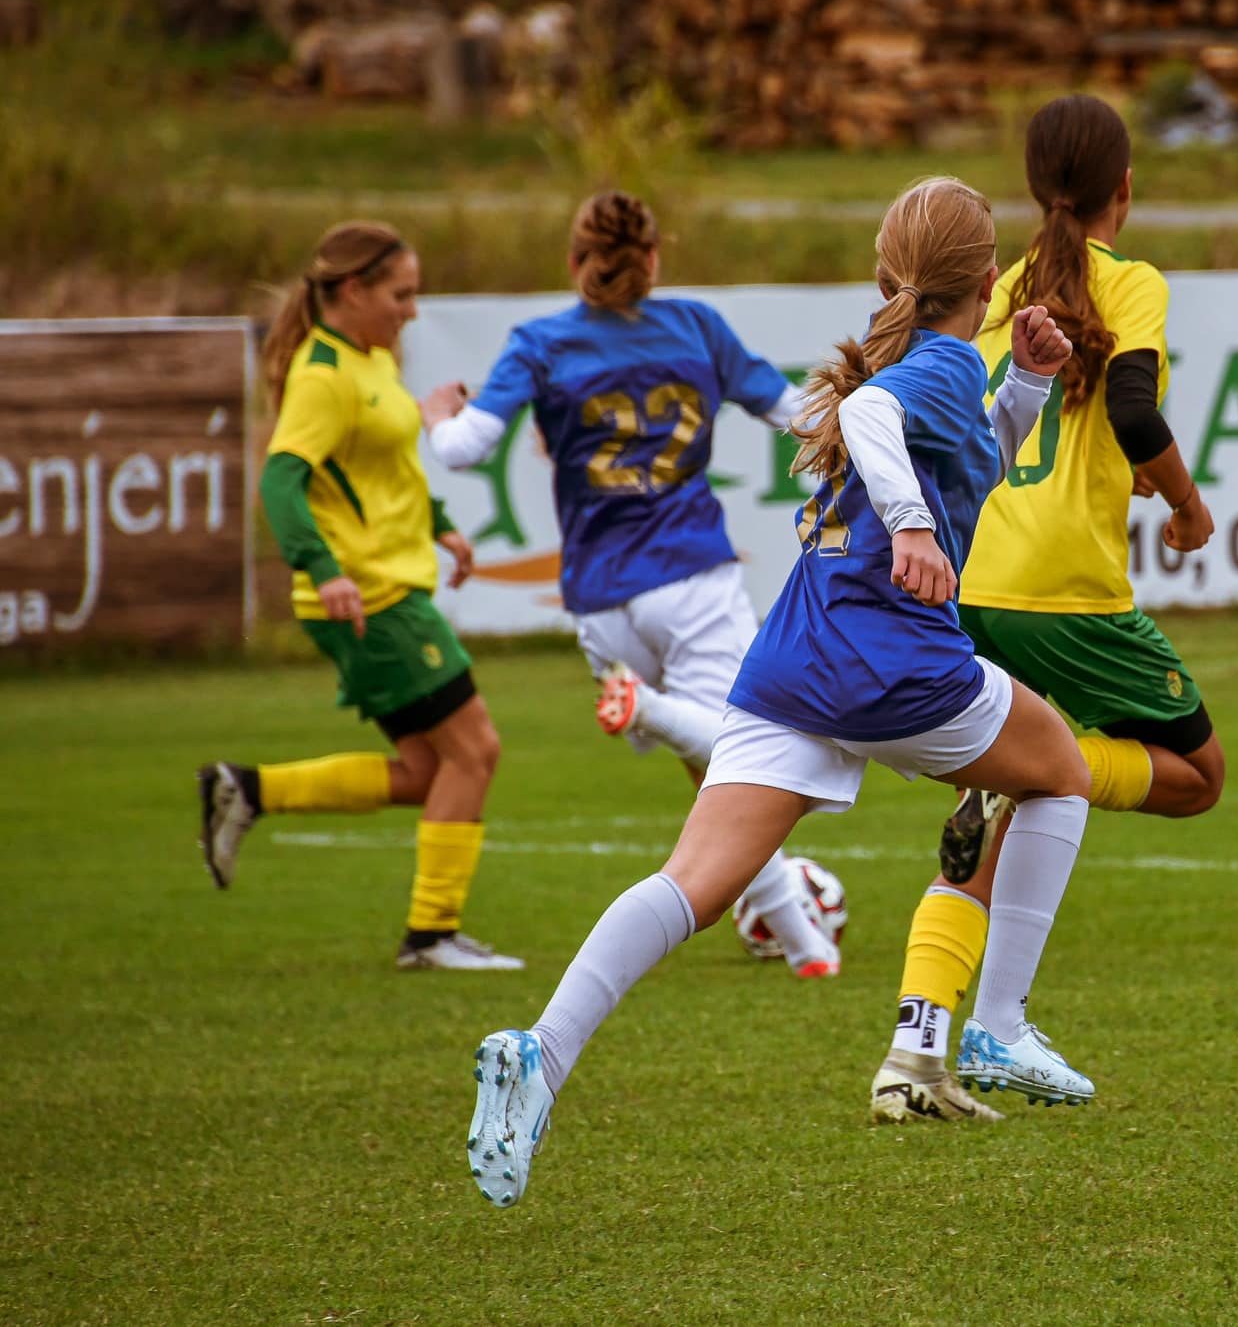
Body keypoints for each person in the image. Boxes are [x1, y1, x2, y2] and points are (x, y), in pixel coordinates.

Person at [466, 176, 1091, 1209]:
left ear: (889, 278)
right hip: (886, 657)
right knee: (1059, 772)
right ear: (990, 277)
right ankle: (997, 1023)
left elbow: (966, 465)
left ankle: (539, 1053)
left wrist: (1024, 382)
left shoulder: (924, 362)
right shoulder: (926, 368)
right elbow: (873, 416)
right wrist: (912, 529)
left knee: (695, 883)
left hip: (795, 655)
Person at [868, 95, 1223, 1124]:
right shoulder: (1130, 281)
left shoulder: (991, 287)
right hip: (1062, 591)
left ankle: (912, 1054)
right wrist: (1186, 504)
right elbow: (1134, 408)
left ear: (1032, 187)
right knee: (1196, 777)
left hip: (968, 579)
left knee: (1003, 796)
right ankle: (1043, 783)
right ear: (1125, 188)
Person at [419, 190, 841, 978]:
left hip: (600, 597)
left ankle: (801, 940)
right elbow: (799, 415)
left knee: (709, 767)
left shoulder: (540, 342)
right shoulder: (697, 328)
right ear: (653, 257)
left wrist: (438, 413)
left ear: (575, 260)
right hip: (691, 574)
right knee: (745, 753)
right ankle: (655, 718)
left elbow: (463, 449)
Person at [197, 221, 520, 972]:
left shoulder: (368, 358)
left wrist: (439, 525)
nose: (412, 310)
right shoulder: (322, 376)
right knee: (476, 750)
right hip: (370, 598)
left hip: (391, 587)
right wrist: (322, 568)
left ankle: (246, 790)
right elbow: (282, 481)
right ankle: (431, 936)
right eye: (400, 295)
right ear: (352, 290)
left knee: (429, 773)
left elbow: (380, 470)